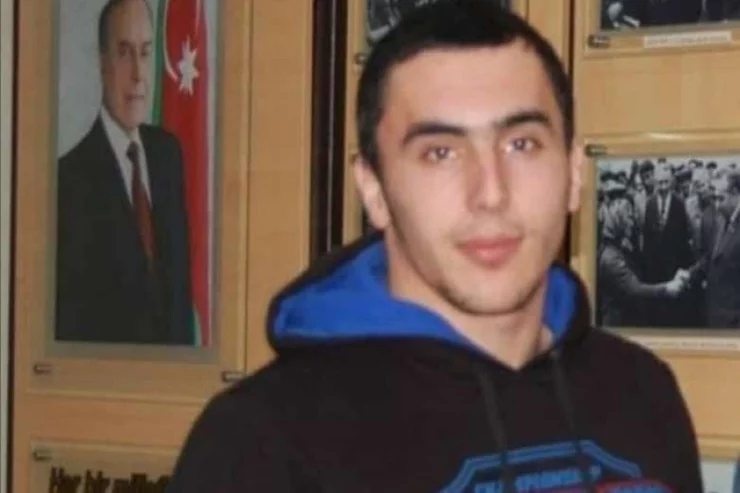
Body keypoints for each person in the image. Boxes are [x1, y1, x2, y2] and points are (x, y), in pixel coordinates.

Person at [168, 2, 702, 491]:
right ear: (374, 191)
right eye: (440, 153)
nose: (490, 193)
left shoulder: (642, 393)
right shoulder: (261, 442)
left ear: (574, 173)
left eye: (521, 144)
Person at [55, 0, 193, 344]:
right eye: (124, 53)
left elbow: (178, 297)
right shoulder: (68, 181)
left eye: (145, 53)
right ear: (102, 63)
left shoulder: (169, 155)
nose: (138, 74)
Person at [705, 170, 740, 328]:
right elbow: (712, 256)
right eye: (715, 198)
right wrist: (689, 274)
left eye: (721, 199)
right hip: (716, 315)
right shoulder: (721, 218)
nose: (717, 206)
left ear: (735, 193)